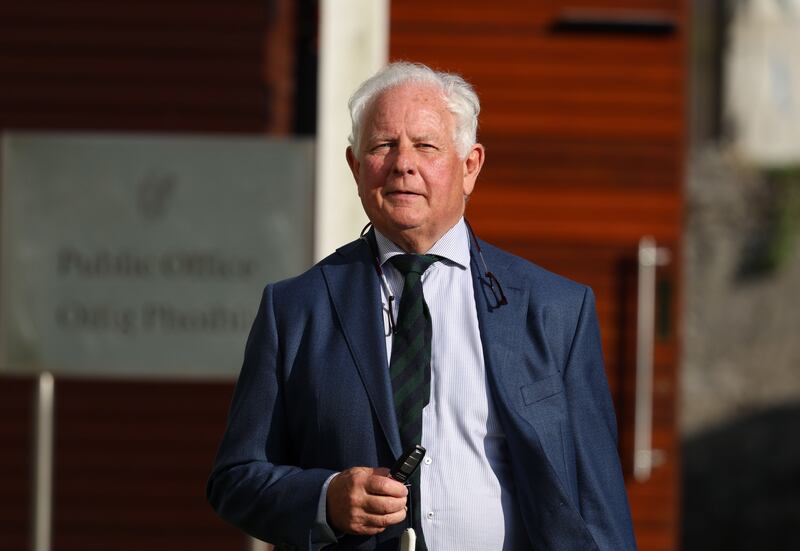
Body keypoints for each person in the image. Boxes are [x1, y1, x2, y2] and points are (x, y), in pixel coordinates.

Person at [207, 61, 637, 551]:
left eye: (426, 146)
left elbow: (598, 505)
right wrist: (325, 498)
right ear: (355, 165)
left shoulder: (555, 310)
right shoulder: (295, 309)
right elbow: (235, 479)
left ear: (470, 166)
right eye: (382, 145)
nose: (402, 164)